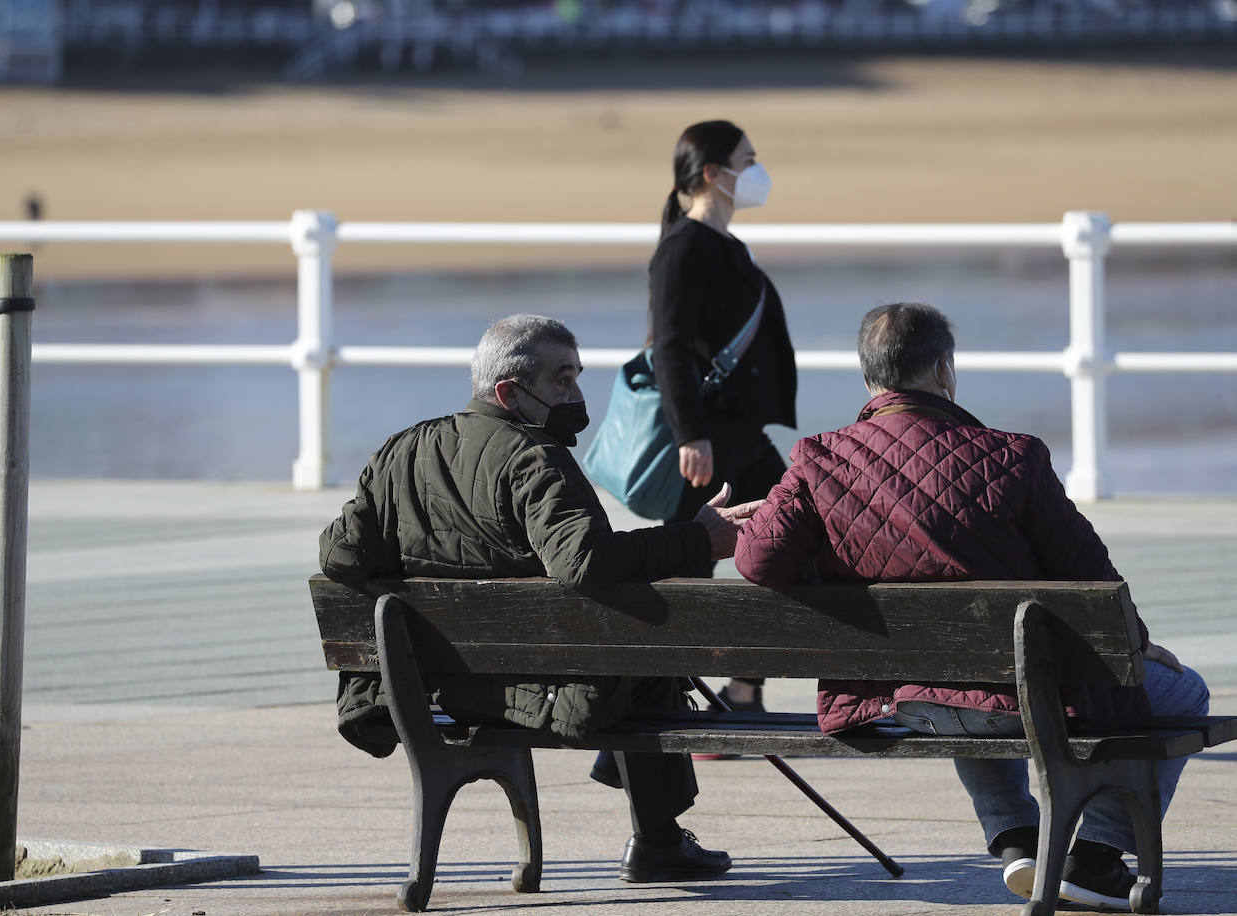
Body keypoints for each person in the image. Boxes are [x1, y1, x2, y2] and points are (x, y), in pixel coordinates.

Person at [734, 302, 1209, 911]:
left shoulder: (817, 460)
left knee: (959, 674)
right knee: (1185, 692)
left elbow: (757, 564)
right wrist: (1136, 646)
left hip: (898, 700)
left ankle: (1019, 842)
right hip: (1015, 695)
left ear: (867, 375)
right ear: (943, 369)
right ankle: (1093, 857)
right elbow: (1093, 580)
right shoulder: (1014, 456)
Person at [320, 313, 764, 884]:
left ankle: (656, 830)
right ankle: (658, 840)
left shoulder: (400, 452)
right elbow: (584, 562)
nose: (576, 394)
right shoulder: (534, 457)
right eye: (561, 381)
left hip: (431, 689)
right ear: (508, 391)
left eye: (576, 377)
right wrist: (698, 537)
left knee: (641, 661)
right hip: (544, 690)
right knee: (653, 663)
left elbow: (340, 556)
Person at [649, 119, 798, 717]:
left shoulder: (728, 247)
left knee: (772, 545)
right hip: (712, 437)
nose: (756, 169)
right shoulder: (682, 248)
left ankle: (734, 694)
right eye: (747, 158)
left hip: (739, 434)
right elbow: (669, 348)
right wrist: (691, 435)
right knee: (698, 565)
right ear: (714, 172)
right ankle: (700, 698)